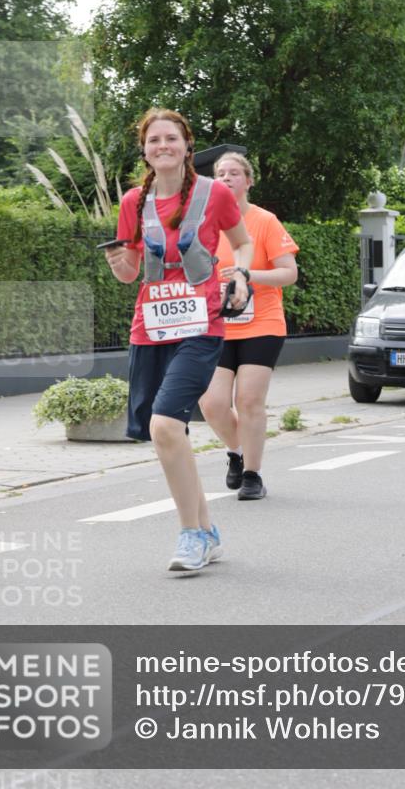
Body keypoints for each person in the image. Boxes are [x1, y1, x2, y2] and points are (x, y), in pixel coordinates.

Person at [104, 109, 252, 573]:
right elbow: (131, 273)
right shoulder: (133, 201)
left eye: (171, 138)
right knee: (168, 432)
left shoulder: (216, 194)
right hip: (149, 327)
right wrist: (118, 266)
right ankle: (206, 531)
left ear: (187, 146)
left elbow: (242, 243)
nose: (162, 146)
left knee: (166, 426)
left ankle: (191, 536)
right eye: (153, 140)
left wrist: (241, 276)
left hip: (202, 324)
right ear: (145, 150)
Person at [199, 153, 298, 499]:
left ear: (249, 181)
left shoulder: (265, 221)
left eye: (235, 173)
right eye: (220, 173)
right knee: (211, 403)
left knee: (249, 400)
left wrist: (247, 274)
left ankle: (253, 475)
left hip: (262, 322)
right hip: (218, 324)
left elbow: (289, 273)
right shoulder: (205, 224)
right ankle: (236, 452)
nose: (227, 178)